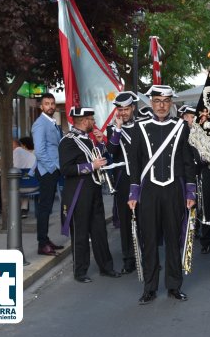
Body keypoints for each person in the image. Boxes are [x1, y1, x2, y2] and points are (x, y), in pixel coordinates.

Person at [128, 85, 196, 305]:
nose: (161, 105)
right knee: (148, 240)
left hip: (174, 190)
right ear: (151, 102)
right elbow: (135, 163)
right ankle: (149, 287)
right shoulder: (140, 127)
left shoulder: (181, 127)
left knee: (174, 239)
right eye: (157, 101)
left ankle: (174, 286)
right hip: (149, 191)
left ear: (171, 103)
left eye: (165, 101)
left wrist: (190, 191)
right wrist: (133, 193)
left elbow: (188, 162)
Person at [59, 107, 121, 283]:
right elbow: (65, 169)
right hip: (78, 193)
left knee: (99, 231)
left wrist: (102, 144)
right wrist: (90, 166)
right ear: (84, 121)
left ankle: (106, 267)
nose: (94, 123)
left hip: (93, 191)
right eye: (91, 120)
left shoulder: (89, 140)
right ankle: (80, 272)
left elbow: (100, 158)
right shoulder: (68, 142)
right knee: (80, 233)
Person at [106, 91, 139, 275]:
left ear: (132, 108)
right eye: (121, 110)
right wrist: (118, 129)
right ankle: (128, 259)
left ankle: (145, 256)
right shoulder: (113, 129)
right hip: (123, 181)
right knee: (126, 222)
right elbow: (111, 150)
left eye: (127, 109)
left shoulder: (141, 126)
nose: (124, 113)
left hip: (141, 178)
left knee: (144, 220)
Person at [31, 92, 64, 256]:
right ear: (41, 106)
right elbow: (40, 151)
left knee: (48, 207)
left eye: (52, 103)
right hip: (46, 171)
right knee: (44, 208)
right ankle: (42, 243)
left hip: (52, 170)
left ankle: (45, 240)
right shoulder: (40, 124)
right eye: (46, 103)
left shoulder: (51, 122)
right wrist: (52, 168)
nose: (50, 106)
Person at [14, 137, 37, 218]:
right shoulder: (34, 154)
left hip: (20, 186)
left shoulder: (19, 153)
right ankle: (24, 209)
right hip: (33, 184)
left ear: (23, 145)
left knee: (17, 183)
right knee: (23, 181)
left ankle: (17, 209)